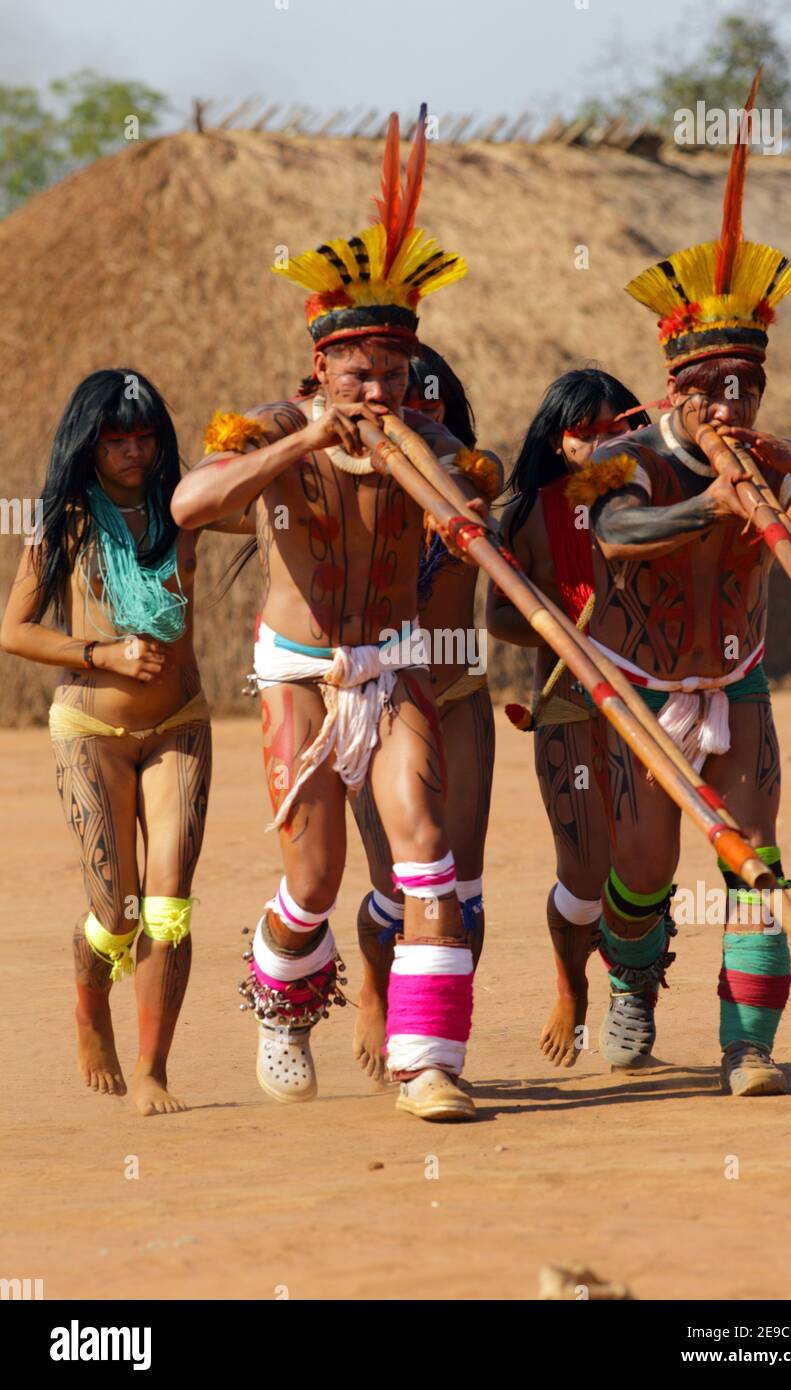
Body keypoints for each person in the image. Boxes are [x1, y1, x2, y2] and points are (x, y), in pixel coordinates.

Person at [172, 106, 498, 1122]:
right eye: (357, 372)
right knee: (309, 880)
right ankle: (281, 1003)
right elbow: (191, 503)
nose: (375, 388)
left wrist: (445, 494)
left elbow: (463, 515)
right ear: (319, 368)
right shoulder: (269, 427)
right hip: (299, 674)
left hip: (391, 665)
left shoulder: (431, 447)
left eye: (392, 374)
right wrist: (305, 442)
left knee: (426, 849)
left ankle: (428, 1064)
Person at [584, 89, 791, 1094]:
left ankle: (746, 1047)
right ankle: (629, 976)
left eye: (745, 385)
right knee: (644, 869)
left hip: (735, 681)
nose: (729, 404)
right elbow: (612, 537)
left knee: (754, 857)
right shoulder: (628, 459)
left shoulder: (784, 459)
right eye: (710, 388)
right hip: (641, 687)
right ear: (674, 389)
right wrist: (707, 508)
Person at [0, 369, 222, 1115]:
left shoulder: (188, 508)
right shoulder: (65, 520)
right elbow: (14, 631)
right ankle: (90, 1004)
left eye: (144, 436)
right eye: (115, 440)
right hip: (91, 729)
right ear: (88, 445)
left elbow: (272, 508)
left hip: (179, 724)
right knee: (118, 910)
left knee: (169, 906)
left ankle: (156, 1069)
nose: (132, 452)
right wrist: (103, 653)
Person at [487, 369, 649, 1067]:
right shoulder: (524, 516)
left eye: (618, 429)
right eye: (587, 433)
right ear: (558, 439)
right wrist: (557, 629)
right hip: (563, 706)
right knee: (584, 870)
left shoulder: (656, 497)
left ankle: (631, 995)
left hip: (646, 702)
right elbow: (497, 616)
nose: (602, 444)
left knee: (639, 863)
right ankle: (570, 986)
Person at [349, 344, 502, 1081]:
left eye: (432, 407)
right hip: (377, 696)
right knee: (393, 890)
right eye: (414, 403)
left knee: (459, 895)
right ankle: (375, 989)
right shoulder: (351, 491)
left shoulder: (468, 490)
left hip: (459, 697)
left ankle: (437, 1045)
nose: (415, 417)